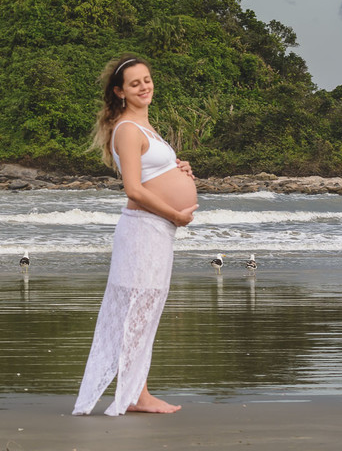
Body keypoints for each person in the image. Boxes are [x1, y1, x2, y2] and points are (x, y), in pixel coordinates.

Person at [73, 54, 197, 417]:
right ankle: (136, 395)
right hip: (144, 230)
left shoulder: (146, 127)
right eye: (134, 83)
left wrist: (180, 168)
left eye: (147, 79)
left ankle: (136, 390)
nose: (144, 87)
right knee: (137, 312)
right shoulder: (128, 129)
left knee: (146, 310)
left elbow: (152, 174)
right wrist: (175, 214)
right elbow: (133, 189)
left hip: (155, 232)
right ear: (120, 91)